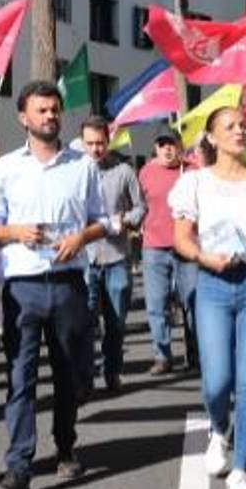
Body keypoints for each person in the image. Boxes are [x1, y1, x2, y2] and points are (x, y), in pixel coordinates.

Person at [0, 81, 108, 489]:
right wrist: (14, 230)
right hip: (22, 285)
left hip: (69, 281)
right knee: (20, 378)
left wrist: (80, 238)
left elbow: (101, 219)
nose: (50, 116)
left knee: (70, 374)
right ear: (23, 118)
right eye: (41, 110)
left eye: (54, 109)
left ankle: (66, 444)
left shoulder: (82, 166)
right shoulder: (3, 169)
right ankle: (18, 466)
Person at [170, 106, 246, 489]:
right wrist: (203, 258)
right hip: (214, 283)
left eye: (243, 125)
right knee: (217, 379)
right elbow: (182, 238)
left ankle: (242, 467)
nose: (240, 131)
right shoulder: (195, 182)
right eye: (230, 126)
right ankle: (218, 428)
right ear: (212, 137)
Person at [81, 115, 145, 394]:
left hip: (117, 256)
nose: (95, 149)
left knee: (116, 322)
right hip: (84, 257)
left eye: (100, 143)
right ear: (82, 143)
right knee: (84, 322)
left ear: (108, 141)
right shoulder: (74, 171)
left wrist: (126, 219)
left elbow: (141, 207)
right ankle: (83, 375)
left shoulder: (123, 171)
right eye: (90, 143)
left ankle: (112, 371)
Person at [139, 132, 198, 376]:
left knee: (192, 303)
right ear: (156, 148)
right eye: (162, 144)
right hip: (154, 247)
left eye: (172, 144)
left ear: (180, 147)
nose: (167, 149)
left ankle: (195, 354)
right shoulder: (146, 172)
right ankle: (162, 356)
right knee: (156, 304)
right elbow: (137, 203)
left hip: (187, 246)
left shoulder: (193, 171)